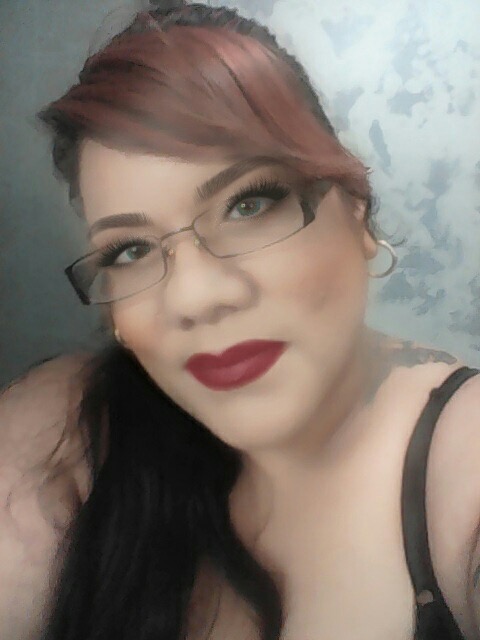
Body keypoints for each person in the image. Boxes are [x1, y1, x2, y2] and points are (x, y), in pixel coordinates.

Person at [1, 1, 479, 639]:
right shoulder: (68, 429)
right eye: (130, 251)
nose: (194, 298)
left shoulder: (464, 459)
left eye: (249, 204)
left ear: (356, 212)